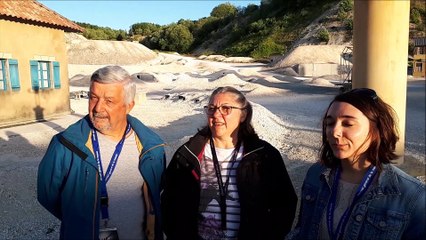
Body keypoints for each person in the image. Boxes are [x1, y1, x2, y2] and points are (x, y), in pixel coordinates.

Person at [37, 65, 166, 240]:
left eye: (109, 101)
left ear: (129, 106)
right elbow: (47, 196)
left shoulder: (152, 148)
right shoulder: (64, 146)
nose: (98, 108)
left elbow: (155, 196)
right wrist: (78, 222)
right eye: (93, 98)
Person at [287, 88, 426, 239]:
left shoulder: (412, 196)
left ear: (376, 129)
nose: (334, 132)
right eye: (330, 123)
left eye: (347, 124)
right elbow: (302, 231)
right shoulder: (316, 175)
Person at [161, 86, 297, 240]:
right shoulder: (187, 154)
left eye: (226, 108)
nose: (216, 114)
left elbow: (285, 204)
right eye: (211, 108)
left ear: (243, 114)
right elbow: (169, 204)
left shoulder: (264, 156)